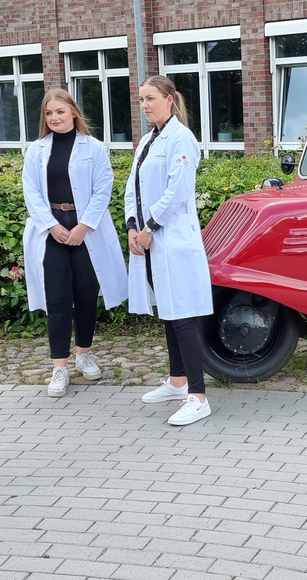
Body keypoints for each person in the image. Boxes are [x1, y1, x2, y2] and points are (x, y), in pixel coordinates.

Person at [21, 89, 127, 396]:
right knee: (57, 300)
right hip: (51, 229)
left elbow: (103, 188)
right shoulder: (37, 150)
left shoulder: (93, 148)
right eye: (49, 113)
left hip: (85, 229)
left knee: (85, 294)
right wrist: (52, 226)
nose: (54, 118)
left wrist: (84, 226)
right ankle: (59, 367)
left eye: (60, 112)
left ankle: (84, 353)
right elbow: (32, 193)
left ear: (74, 113)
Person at [125, 76, 215, 426]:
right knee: (169, 312)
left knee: (183, 318)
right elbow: (132, 187)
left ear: (169, 100)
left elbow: (177, 193)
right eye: (141, 99)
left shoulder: (182, 139)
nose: (145, 105)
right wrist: (133, 225)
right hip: (150, 240)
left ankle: (198, 396)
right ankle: (177, 381)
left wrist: (148, 229)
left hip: (172, 240)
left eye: (150, 98)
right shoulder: (148, 140)